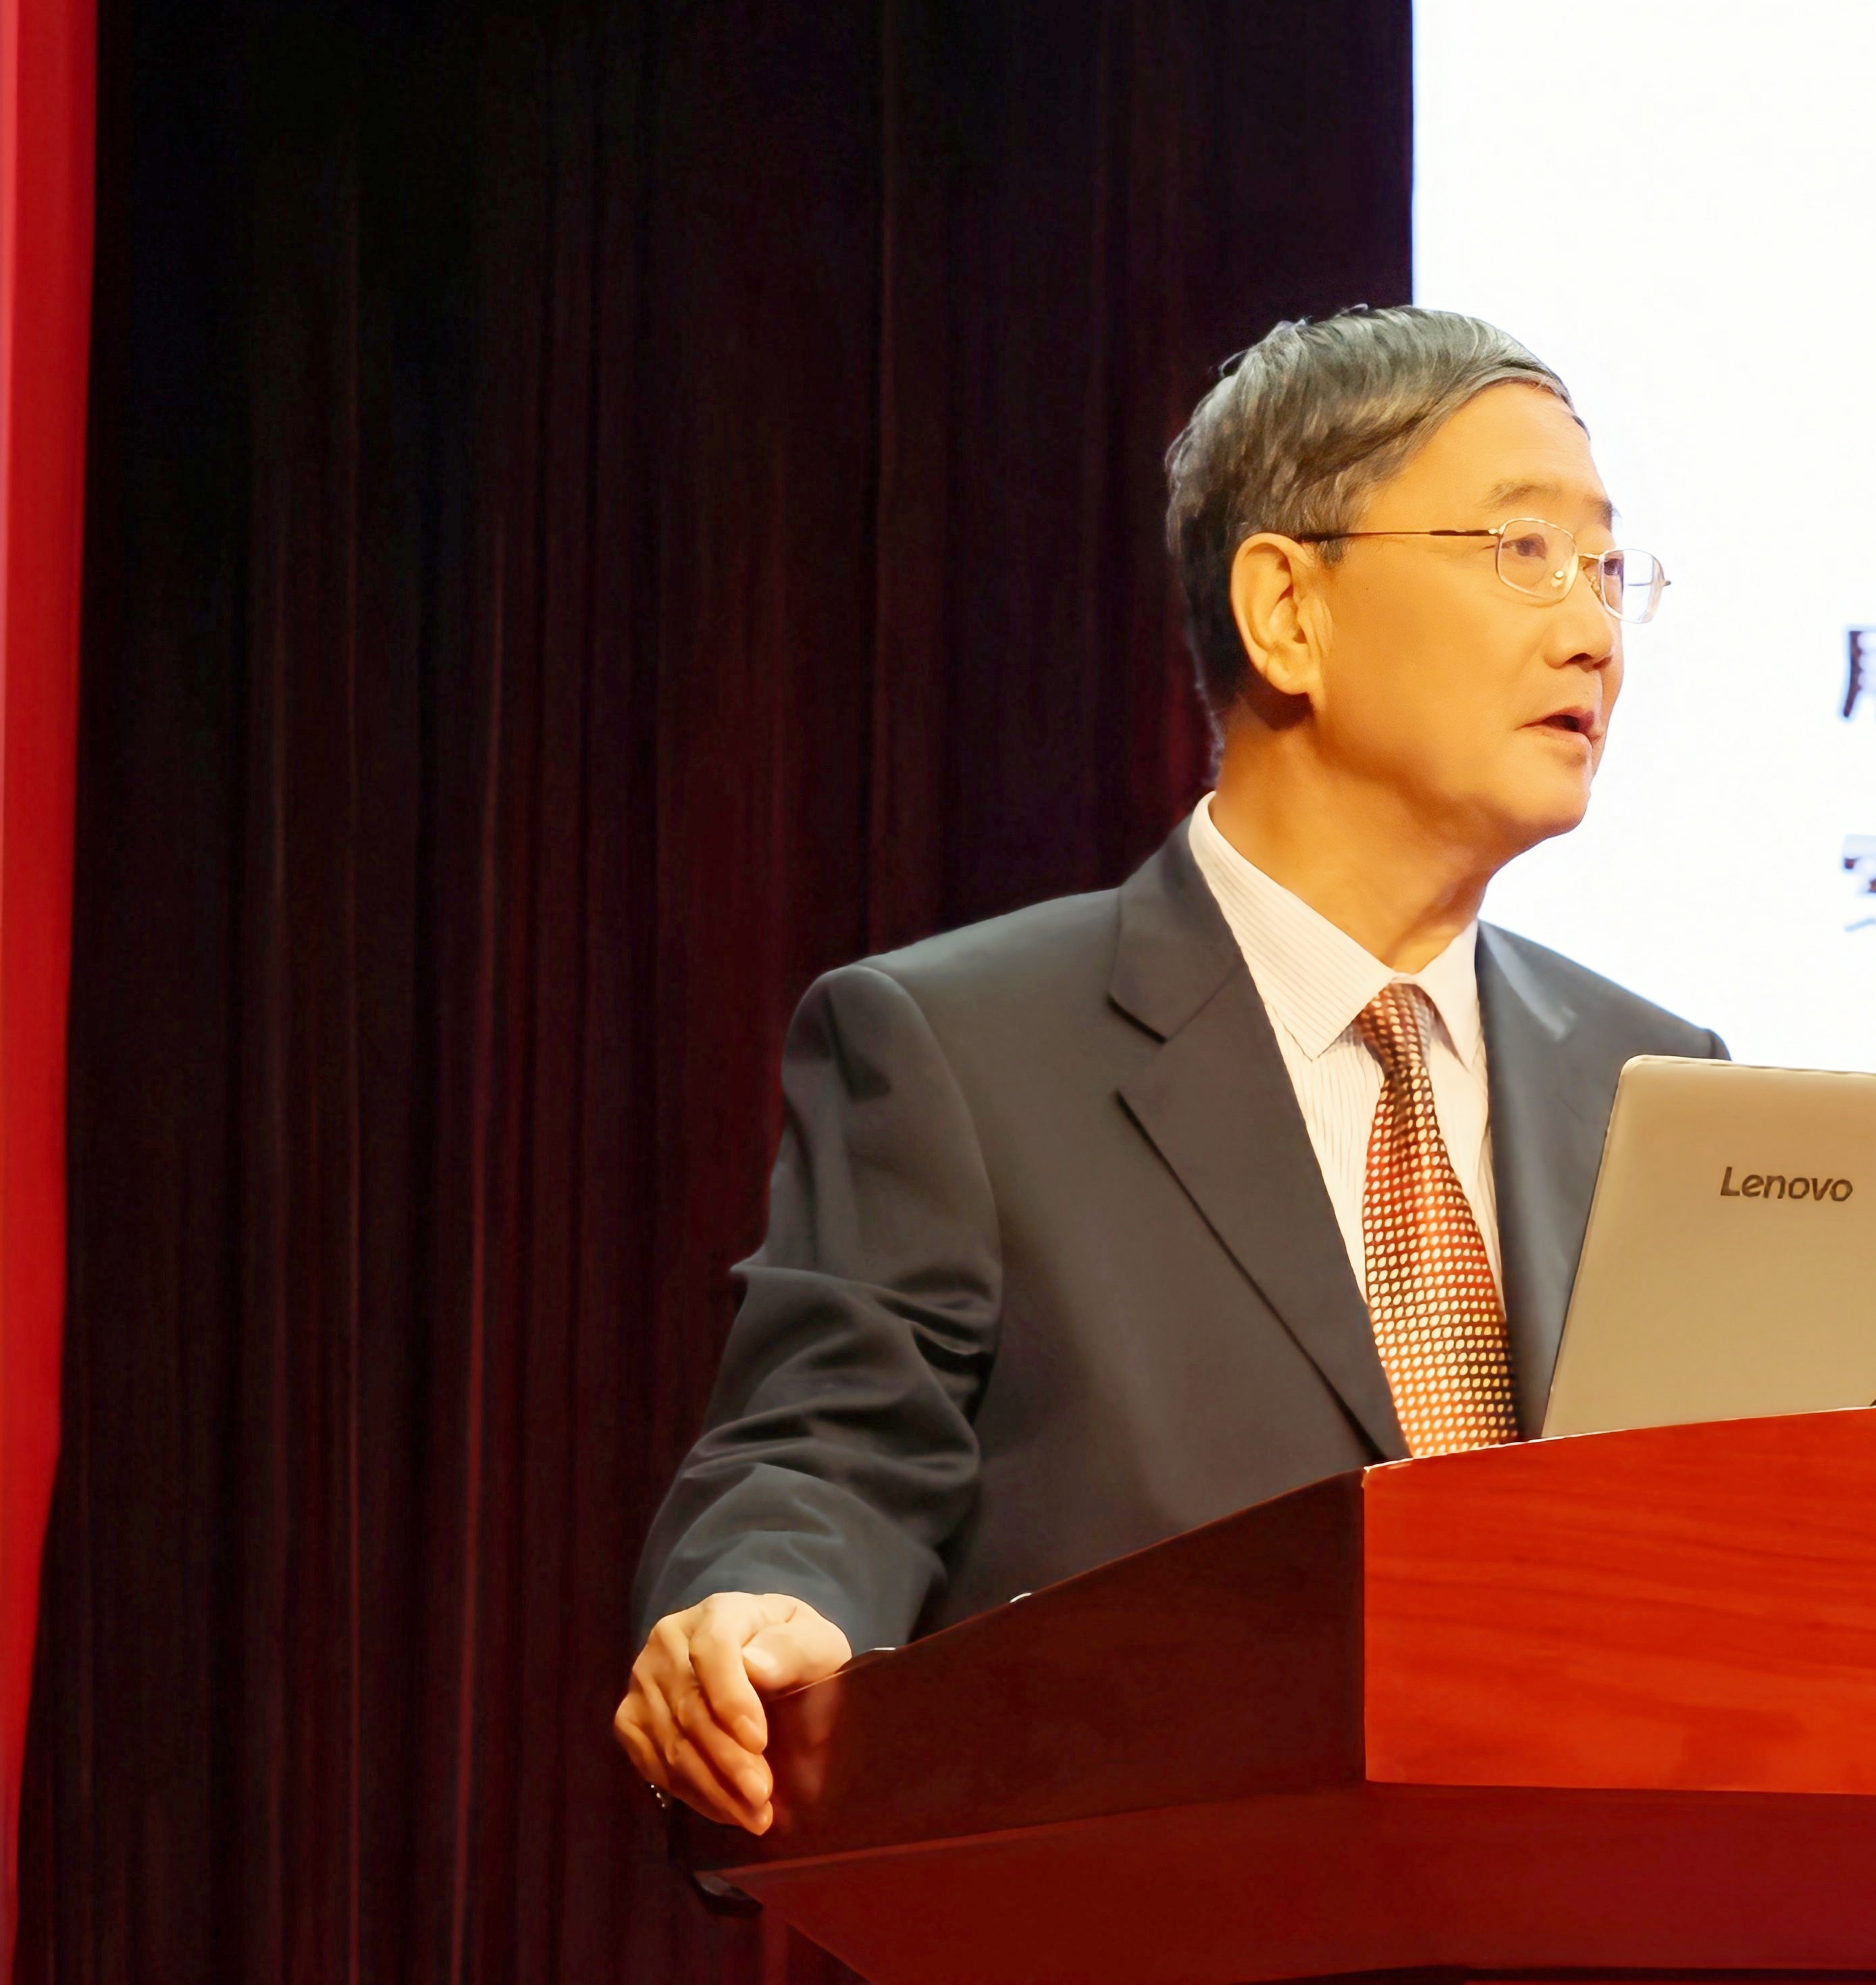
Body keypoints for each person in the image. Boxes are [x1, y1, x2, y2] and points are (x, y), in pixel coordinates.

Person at [611, 307, 1717, 1832]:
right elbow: (830, 1454)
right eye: (1523, 549)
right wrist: (765, 1614)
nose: (1593, 629)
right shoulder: (960, 1050)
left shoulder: (1656, 1083)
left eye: (1607, 567)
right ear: (1286, 611)